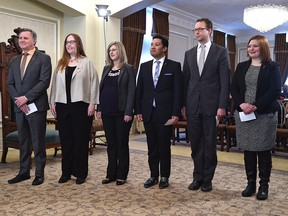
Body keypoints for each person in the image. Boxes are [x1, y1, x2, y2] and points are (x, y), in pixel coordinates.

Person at [182, 18, 230, 192]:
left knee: (209, 144)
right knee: (195, 144)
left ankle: (208, 179)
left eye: (200, 29)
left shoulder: (221, 52)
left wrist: (222, 105)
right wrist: (183, 105)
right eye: (195, 29)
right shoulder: (188, 53)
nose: (197, 32)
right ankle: (197, 177)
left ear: (210, 31)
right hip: (193, 105)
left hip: (212, 106)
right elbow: (185, 81)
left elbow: (225, 82)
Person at [231, 35, 281, 200]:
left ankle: (263, 186)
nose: (251, 49)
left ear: (263, 48)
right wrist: (242, 105)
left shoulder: (272, 67)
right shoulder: (241, 66)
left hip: (264, 115)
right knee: (249, 150)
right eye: (250, 46)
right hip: (244, 115)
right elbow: (234, 89)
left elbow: (274, 90)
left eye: (255, 46)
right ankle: (250, 184)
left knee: (264, 151)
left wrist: (255, 105)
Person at [50, 33, 99, 184]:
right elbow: (54, 85)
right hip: (63, 106)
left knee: (80, 140)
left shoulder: (87, 62)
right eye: (67, 42)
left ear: (78, 44)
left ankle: (81, 173)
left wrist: (92, 103)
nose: (69, 45)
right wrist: (52, 102)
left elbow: (94, 84)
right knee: (66, 141)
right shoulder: (61, 63)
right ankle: (66, 173)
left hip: (81, 106)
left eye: (72, 42)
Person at [135, 34, 183, 189]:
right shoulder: (144, 66)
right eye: (151, 44)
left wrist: (176, 112)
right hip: (148, 111)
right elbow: (139, 90)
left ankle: (164, 176)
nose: (153, 47)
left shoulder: (174, 66)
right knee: (152, 146)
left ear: (165, 48)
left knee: (164, 146)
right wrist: (138, 110)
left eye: (157, 44)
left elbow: (178, 92)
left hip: (165, 113)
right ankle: (153, 175)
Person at [7, 28, 52, 186]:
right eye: (20, 38)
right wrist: (19, 101)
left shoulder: (44, 58)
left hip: (36, 107)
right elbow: (10, 84)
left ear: (34, 41)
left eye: (25, 38)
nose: (21, 40)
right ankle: (24, 172)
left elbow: (43, 82)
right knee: (23, 141)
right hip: (20, 108)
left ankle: (39, 174)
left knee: (37, 141)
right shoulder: (14, 60)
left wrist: (26, 98)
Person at [96, 41, 136, 186]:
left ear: (120, 51)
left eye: (114, 50)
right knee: (111, 144)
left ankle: (122, 175)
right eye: (110, 50)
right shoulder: (106, 69)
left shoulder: (128, 69)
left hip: (122, 113)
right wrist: (99, 108)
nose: (112, 52)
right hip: (107, 112)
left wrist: (128, 111)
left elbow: (132, 91)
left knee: (121, 144)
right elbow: (101, 90)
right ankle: (111, 174)